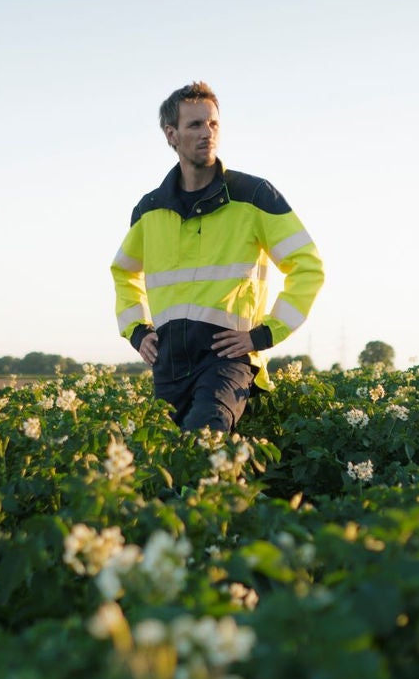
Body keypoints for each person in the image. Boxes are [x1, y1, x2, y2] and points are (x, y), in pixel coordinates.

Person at [111, 81, 325, 432]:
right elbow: (123, 272)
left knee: (204, 436)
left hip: (228, 359)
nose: (207, 133)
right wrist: (137, 332)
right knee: (166, 460)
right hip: (169, 363)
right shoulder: (149, 209)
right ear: (171, 134)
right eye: (195, 125)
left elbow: (308, 266)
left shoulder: (254, 195)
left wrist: (263, 335)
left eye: (213, 124)